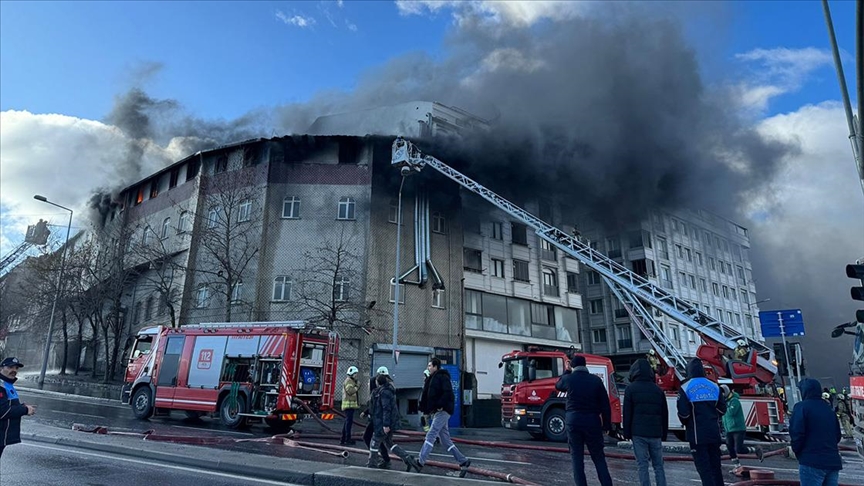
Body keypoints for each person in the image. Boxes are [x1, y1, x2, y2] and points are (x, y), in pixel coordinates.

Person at [555, 354, 613, 486]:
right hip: (592, 422)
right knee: (599, 458)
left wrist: (567, 370)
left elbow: (558, 385)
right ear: (585, 366)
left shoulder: (569, 379)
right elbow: (605, 404)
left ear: (573, 366)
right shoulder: (596, 380)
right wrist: (607, 426)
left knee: (577, 458)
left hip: (573, 421)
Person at [416, 358, 471, 477]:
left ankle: (420, 462)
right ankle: (463, 460)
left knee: (431, 434)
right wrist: (426, 409)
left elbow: (448, 393)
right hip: (438, 411)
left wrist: (440, 405)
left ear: (436, 366)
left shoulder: (442, 377)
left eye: (430, 365)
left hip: (443, 411)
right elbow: (429, 396)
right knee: (445, 440)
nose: (428, 368)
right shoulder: (432, 379)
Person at [677, 358, 726, 486]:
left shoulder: (685, 387)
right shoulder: (714, 386)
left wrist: (687, 422)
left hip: (697, 435)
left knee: (704, 470)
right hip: (714, 433)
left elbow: (684, 413)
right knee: (716, 468)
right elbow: (722, 409)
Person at [623, 359, 667, 486]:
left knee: (642, 465)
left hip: (638, 433)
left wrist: (627, 433)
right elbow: (664, 414)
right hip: (655, 432)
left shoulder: (630, 389)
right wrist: (663, 433)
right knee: (658, 465)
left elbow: (627, 413)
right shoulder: (658, 390)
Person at [790, 378, 842, 486]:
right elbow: (837, 435)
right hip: (832, 461)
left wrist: (797, 451)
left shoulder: (801, 407)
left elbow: (797, 433)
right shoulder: (828, 409)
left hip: (811, 461)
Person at [367, 372, 421, 470]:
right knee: (389, 443)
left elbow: (386, 409)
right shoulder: (386, 391)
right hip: (387, 423)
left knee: (374, 443)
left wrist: (385, 425)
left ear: (378, 382)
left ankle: (372, 465)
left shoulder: (383, 393)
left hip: (383, 423)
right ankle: (409, 459)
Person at [720, 385, 763, 469]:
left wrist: (723, 406)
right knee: (730, 448)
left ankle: (755, 449)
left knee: (738, 449)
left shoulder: (734, 401)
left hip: (738, 429)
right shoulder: (725, 402)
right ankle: (737, 466)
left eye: (722, 392)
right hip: (729, 429)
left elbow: (731, 412)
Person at [0, 357, 36, 459]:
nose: (14, 370)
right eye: (10, 367)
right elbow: (2, 411)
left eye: (16, 368)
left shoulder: (7, 385)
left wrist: (22, 406)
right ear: (0, 369)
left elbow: (7, 406)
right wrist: (25, 410)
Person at [361, 366, 390, 465]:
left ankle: (377, 458)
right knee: (379, 440)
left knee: (370, 437)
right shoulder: (384, 387)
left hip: (378, 418)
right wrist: (366, 412)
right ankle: (382, 458)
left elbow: (382, 406)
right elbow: (374, 404)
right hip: (377, 417)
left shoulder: (383, 390)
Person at [340, 366, 360, 445]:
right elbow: (350, 391)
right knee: (348, 423)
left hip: (349, 406)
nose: (356, 375)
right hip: (348, 406)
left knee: (347, 423)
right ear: (352, 374)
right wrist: (357, 386)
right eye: (355, 374)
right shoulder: (349, 381)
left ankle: (344, 439)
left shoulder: (350, 381)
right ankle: (347, 439)